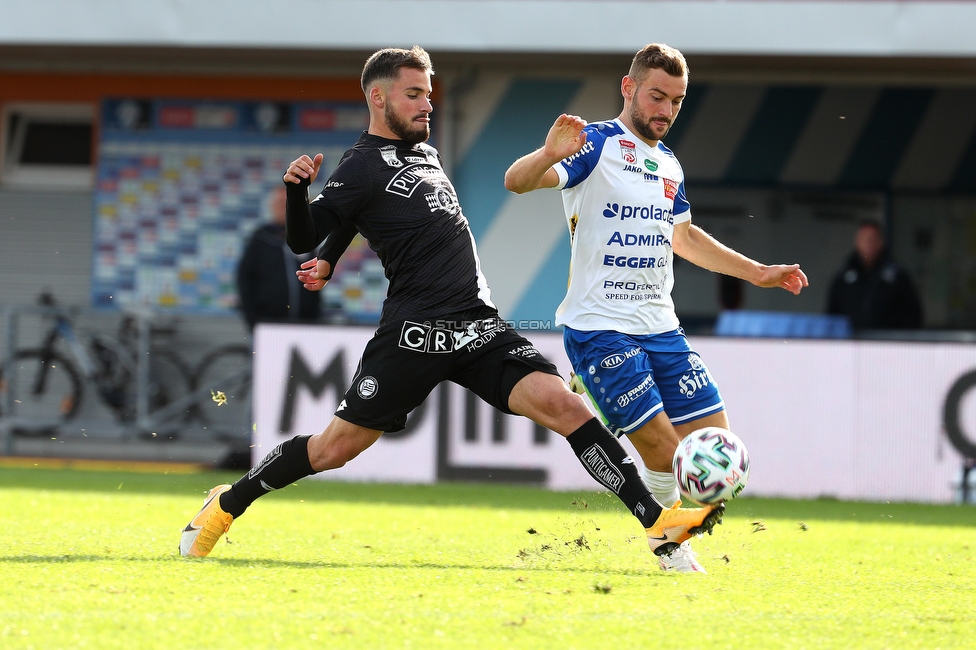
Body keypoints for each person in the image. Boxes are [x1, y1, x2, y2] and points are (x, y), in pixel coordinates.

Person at [180, 46, 724, 567]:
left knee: (568, 409)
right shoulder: (360, 164)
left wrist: (329, 259)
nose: (427, 104)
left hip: (476, 323)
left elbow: (349, 222)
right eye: (414, 94)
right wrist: (300, 198)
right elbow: (313, 227)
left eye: (429, 93)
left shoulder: (424, 152)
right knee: (334, 448)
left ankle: (659, 527)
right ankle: (227, 504)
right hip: (414, 334)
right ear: (378, 99)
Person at [504, 43, 808, 572]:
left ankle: (665, 512)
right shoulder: (593, 144)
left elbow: (685, 238)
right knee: (669, 454)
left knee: (716, 449)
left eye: (677, 100)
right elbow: (517, 181)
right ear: (629, 88)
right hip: (600, 328)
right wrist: (549, 154)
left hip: (661, 328)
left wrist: (758, 272)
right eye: (657, 96)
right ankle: (668, 542)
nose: (666, 110)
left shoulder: (668, 163)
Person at [236, 186, 321, 331]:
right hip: (267, 323)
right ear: (272, 206)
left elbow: (315, 278)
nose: (284, 208)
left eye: (289, 203)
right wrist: (253, 320)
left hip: (304, 324)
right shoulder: (261, 239)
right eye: (280, 203)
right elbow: (245, 279)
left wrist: (315, 318)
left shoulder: (306, 237)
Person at [826, 219, 923, 330]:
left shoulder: (897, 275)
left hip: (888, 343)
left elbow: (912, 313)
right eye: (865, 239)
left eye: (872, 239)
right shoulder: (843, 276)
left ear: (880, 242)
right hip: (851, 342)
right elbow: (832, 314)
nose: (869, 243)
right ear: (857, 242)